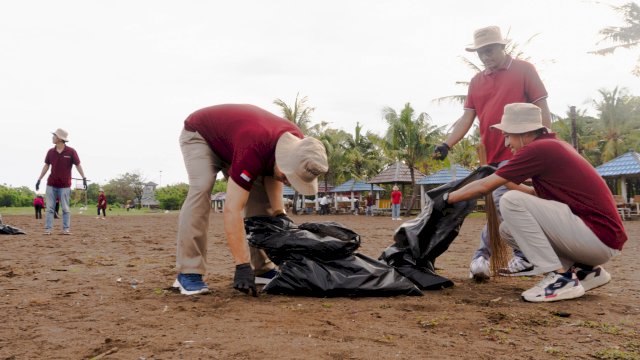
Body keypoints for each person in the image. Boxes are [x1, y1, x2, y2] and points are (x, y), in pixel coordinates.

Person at [442, 103, 627, 302]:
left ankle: (560, 279)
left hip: (597, 238)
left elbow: (484, 186)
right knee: (508, 230)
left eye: (507, 135)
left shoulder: (539, 149)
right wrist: (505, 179)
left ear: (524, 132)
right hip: (597, 240)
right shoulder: (552, 146)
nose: (506, 144)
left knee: (510, 201)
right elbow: (533, 194)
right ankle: (585, 271)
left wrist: (445, 199)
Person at [432, 26, 552, 281]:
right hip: (492, 154)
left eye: (490, 50)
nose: (486, 56)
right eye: (481, 52)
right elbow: (467, 117)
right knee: (499, 205)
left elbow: (541, 105)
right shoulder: (476, 82)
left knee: (501, 201)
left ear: (501, 47)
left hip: (522, 150)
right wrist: (447, 143)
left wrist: (547, 141)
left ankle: (510, 255)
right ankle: (489, 257)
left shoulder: (524, 70)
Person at [173, 104, 328, 296]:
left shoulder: (300, 146)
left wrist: (279, 215)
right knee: (201, 188)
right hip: (201, 135)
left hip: (237, 143)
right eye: (289, 176)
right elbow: (232, 209)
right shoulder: (254, 146)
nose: (289, 181)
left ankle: (262, 268)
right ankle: (189, 272)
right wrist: (242, 265)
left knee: (263, 204)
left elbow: (274, 176)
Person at [36, 128, 87, 235]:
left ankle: (66, 229)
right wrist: (39, 179)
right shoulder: (50, 152)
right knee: (50, 208)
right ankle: (48, 229)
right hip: (51, 184)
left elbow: (78, 165)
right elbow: (46, 165)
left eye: (54, 135)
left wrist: (84, 178)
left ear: (59, 138)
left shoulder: (71, 151)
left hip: (65, 185)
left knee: (65, 208)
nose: (52, 137)